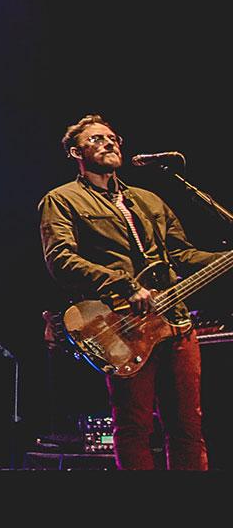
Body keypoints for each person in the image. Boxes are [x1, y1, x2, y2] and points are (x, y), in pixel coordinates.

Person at [38, 114, 217, 470]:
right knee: (135, 427)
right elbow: (61, 259)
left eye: (113, 137)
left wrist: (223, 257)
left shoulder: (148, 200)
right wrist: (124, 284)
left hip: (175, 320)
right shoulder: (62, 200)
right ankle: (144, 512)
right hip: (124, 321)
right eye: (97, 139)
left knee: (188, 427)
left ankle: (196, 513)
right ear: (76, 152)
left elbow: (181, 254)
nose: (109, 143)